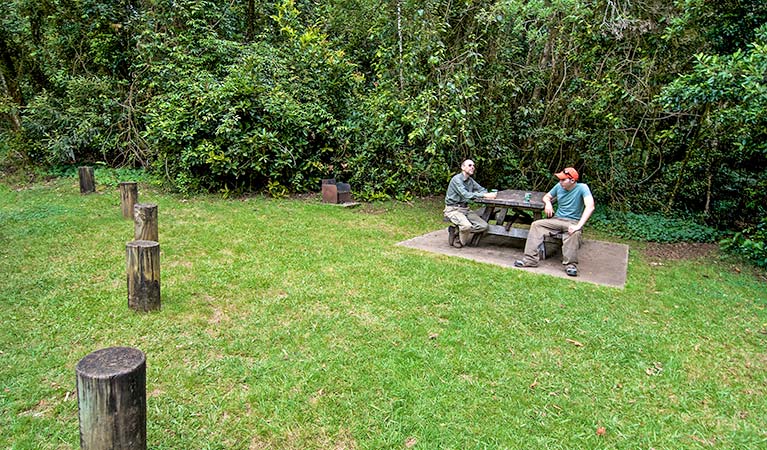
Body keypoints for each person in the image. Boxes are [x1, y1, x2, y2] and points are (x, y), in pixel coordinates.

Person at [514, 167, 594, 276]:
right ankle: (530, 260)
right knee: (536, 225)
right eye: (560, 179)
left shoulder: (582, 188)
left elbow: (590, 206)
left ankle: (570, 265)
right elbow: (547, 196)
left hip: (573, 222)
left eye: (563, 180)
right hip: (556, 219)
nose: (560, 182)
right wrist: (548, 203)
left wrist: (578, 226)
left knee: (574, 233)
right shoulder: (559, 186)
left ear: (572, 180)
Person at [444, 159, 497, 248]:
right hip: (453, 209)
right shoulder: (456, 179)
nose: (472, 167)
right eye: (469, 165)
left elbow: (481, 189)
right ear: (462, 167)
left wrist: (486, 193)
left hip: (465, 209)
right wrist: (484, 195)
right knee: (466, 226)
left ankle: (456, 231)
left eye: (473, 166)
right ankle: (460, 241)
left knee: (483, 226)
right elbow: (466, 195)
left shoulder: (470, 180)